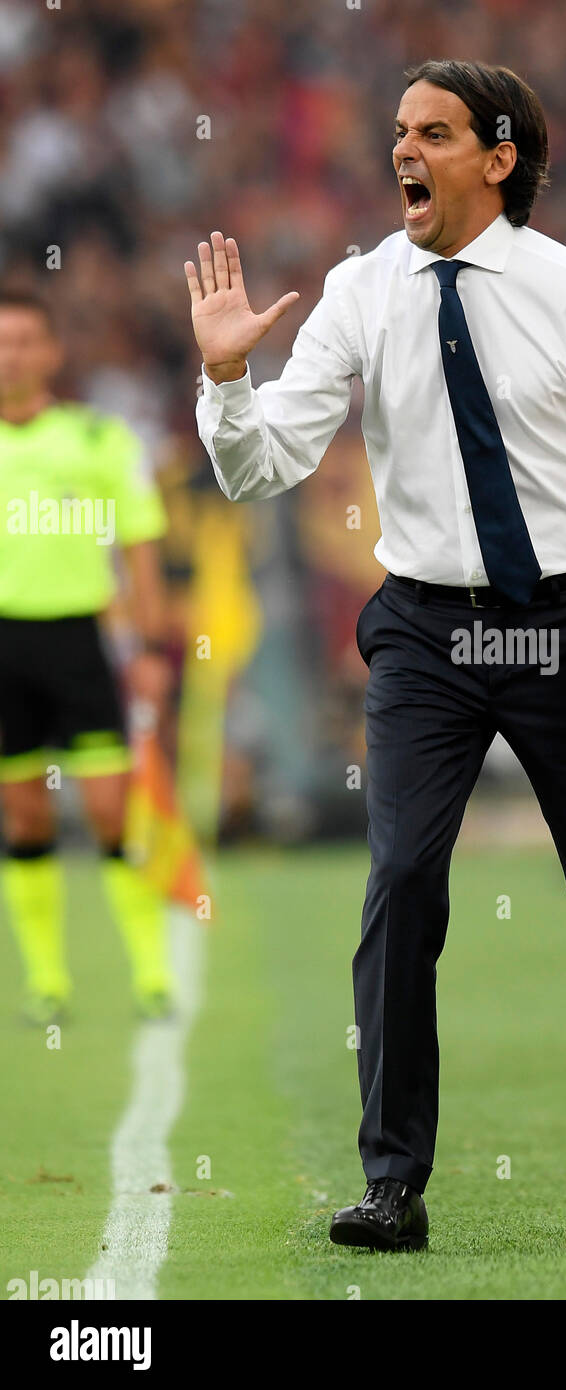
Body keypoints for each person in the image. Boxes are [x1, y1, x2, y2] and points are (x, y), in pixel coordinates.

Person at [189, 60, 566, 1250]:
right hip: (425, 630)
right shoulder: (360, 290)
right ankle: (392, 1184)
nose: (402, 149)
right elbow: (259, 467)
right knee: (402, 883)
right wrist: (224, 376)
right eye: (398, 130)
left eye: (433, 132)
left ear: (499, 157)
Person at [0, 289, 176, 1022]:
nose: (11, 354)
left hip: (80, 642)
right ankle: (47, 984)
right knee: (25, 820)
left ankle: (151, 976)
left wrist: (150, 645)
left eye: (24, 340)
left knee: (110, 812)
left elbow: (139, 548)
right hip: (5, 645)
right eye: (0, 341)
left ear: (50, 353)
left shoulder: (99, 441)